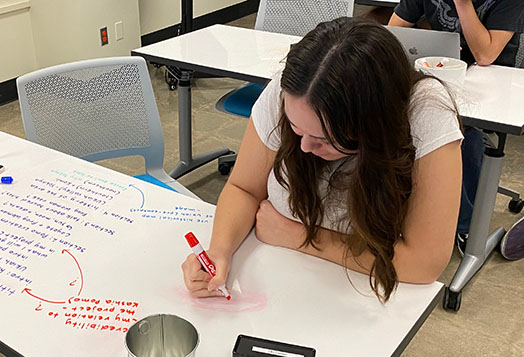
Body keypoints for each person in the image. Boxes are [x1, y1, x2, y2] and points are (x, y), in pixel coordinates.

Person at [181, 17, 463, 302]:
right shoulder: (296, 89)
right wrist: (219, 251)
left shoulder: (425, 112)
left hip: (362, 296)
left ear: (373, 126)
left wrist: (302, 237)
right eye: (296, 128)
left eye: (324, 139)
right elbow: (244, 188)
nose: (303, 146)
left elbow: (425, 263)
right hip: (276, 279)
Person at [388, 0, 524, 259]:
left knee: (462, 135)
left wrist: (462, 4)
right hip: (437, 78)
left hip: (490, 87)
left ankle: (465, 226)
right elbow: (393, 32)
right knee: (388, 117)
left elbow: (485, 56)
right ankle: (401, 209)